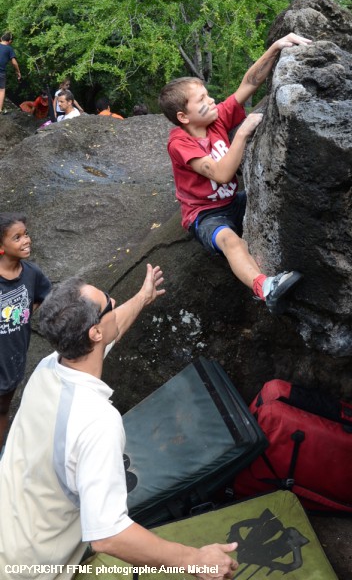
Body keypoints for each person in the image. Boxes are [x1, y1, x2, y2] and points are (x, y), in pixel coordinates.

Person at [0, 264, 238, 580]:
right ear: (94, 333)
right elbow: (108, 535)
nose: (114, 302)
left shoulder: (49, 368)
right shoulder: (97, 422)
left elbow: (108, 332)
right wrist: (195, 560)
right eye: (108, 303)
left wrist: (142, 297)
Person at [158, 32, 311, 314]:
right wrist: (242, 133)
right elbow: (221, 174)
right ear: (183, 116)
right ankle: (266, 288)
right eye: (202, 99)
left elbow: (249, 84)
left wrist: (276, 47)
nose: (212, 100)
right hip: (205, 214)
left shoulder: (214, 119)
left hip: (232, 201)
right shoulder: (180, 143)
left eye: (208, 94)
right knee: (230, 240)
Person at [0, 212, 51, 450]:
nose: (26, 240)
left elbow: (44, 295)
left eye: (26, 234)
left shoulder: (32, 273)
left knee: (3, 408)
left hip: (12, 360)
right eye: (17, 237)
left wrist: (24, 312)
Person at [0, 31, 21, 114]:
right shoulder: (9, 49)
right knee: (1, 90)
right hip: (1, 72)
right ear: (10, 41)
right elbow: (14, 62)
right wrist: (18, 72)